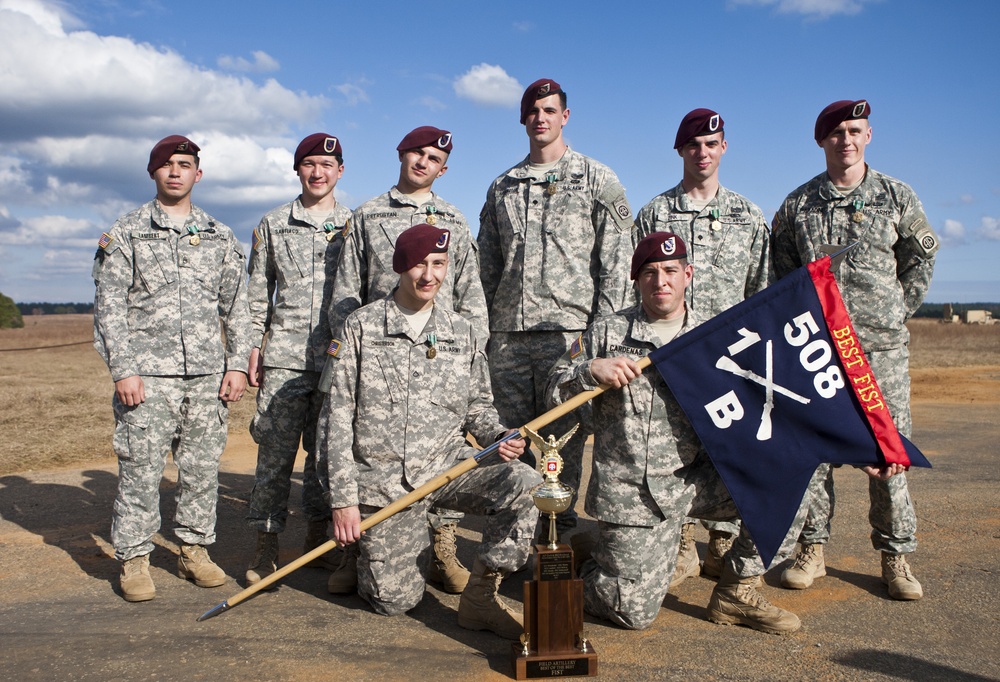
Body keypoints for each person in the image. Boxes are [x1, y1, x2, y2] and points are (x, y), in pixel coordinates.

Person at [546, 232, 802, 634]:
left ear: (688, 274)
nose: (660, 281)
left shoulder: (716, 335)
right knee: (633, 614)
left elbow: (766, 395)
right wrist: (589, 370)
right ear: (637, 280)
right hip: (632, 495)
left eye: (669, 271)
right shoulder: (608, 332)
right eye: (649, 272)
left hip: (696, 480)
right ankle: (601, 558)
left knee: (794, 481)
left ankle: (737, 590)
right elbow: (552, 389)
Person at [317, 224, 541, 639]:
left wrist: (497, 435)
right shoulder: (360, 327)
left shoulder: (462, 331)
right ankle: (363, 549)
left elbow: (478, 407)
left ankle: (481, 596)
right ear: (401, 266)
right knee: (393, 602)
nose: (429, 275)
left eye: (438, 264)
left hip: (449, 467)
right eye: (420, 264)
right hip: (385, 483)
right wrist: (344, 501)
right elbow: (335, 420)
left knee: (527, 483)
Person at [771, 99, 939, 601]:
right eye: (836, 132)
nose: (846, 139)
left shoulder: (895, 197)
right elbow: (783, 271)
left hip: (879, 353)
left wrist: (890, 314)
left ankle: (896, 556)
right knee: (815, 452)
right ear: (821, 141)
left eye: (855, 131)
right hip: (816, 349)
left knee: (889, 452)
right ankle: (812, 548)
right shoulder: (799, 204)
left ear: (868, 137)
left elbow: (920, 259)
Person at [326, 125, 488, 595]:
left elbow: (470, 296)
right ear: (401, 153)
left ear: (444, 167)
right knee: (362, 447)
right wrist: (349, 356)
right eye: (417, 152)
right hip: (376, 354)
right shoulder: (368, 215)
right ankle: (355, 549)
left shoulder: (454, 221)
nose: (424, 162)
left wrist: (470, 357)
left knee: (442, 448)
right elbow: (345, 294)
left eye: (435, 157)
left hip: (440, 354)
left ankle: (442, 544)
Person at [92, 135, 252, 602]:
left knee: (201, 470)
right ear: (153, 173)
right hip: (147, 378)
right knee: (141, 469)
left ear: (197, 174)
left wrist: (237, 366)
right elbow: (109, 309)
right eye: (167, 164)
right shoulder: (126, 233)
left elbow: (236, 307)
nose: (176, 171)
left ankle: (194, 550)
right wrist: (123, 370)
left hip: (206, 376)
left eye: (185, 164)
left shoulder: (219, 235)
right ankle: (135, 559)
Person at [477, 78, 636, 532]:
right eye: (533, 111)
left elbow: (615, 264)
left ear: (564, 116)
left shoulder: (596, 179)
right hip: (507, 338)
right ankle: (508, 540)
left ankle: (556, 538)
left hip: (570, 336)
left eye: (550, 110)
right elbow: (486, 267)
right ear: (523, 118)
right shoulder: (503, 186)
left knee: (561, 442)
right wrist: (483, 332)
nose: (541, 118)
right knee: (507, 439)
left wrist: (600, 339)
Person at [634, 108, 771, 585]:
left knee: (726, 447)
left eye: (711, 144)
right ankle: (680, 543)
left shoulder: (747, 215)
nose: (703, 152)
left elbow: (760, 291)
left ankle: (723, 542)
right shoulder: (655, 213)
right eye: (693, 144)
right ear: (681, 151)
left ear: (724, 148)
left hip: (730, 355)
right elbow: (638, 283)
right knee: (673, 448)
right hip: (671, 353)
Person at [243, 133, 352, 587]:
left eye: (327, 165)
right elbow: (255, 295)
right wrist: (250, 346)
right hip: (285, 358)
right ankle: (266, 547)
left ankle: (316, 540)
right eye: (308, 163)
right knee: (275, 455)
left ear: (340, 171)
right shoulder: (273, 223)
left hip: (337, 358)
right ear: (297, 169)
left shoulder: (355, 224)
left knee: (326, 457)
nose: (317, 172)